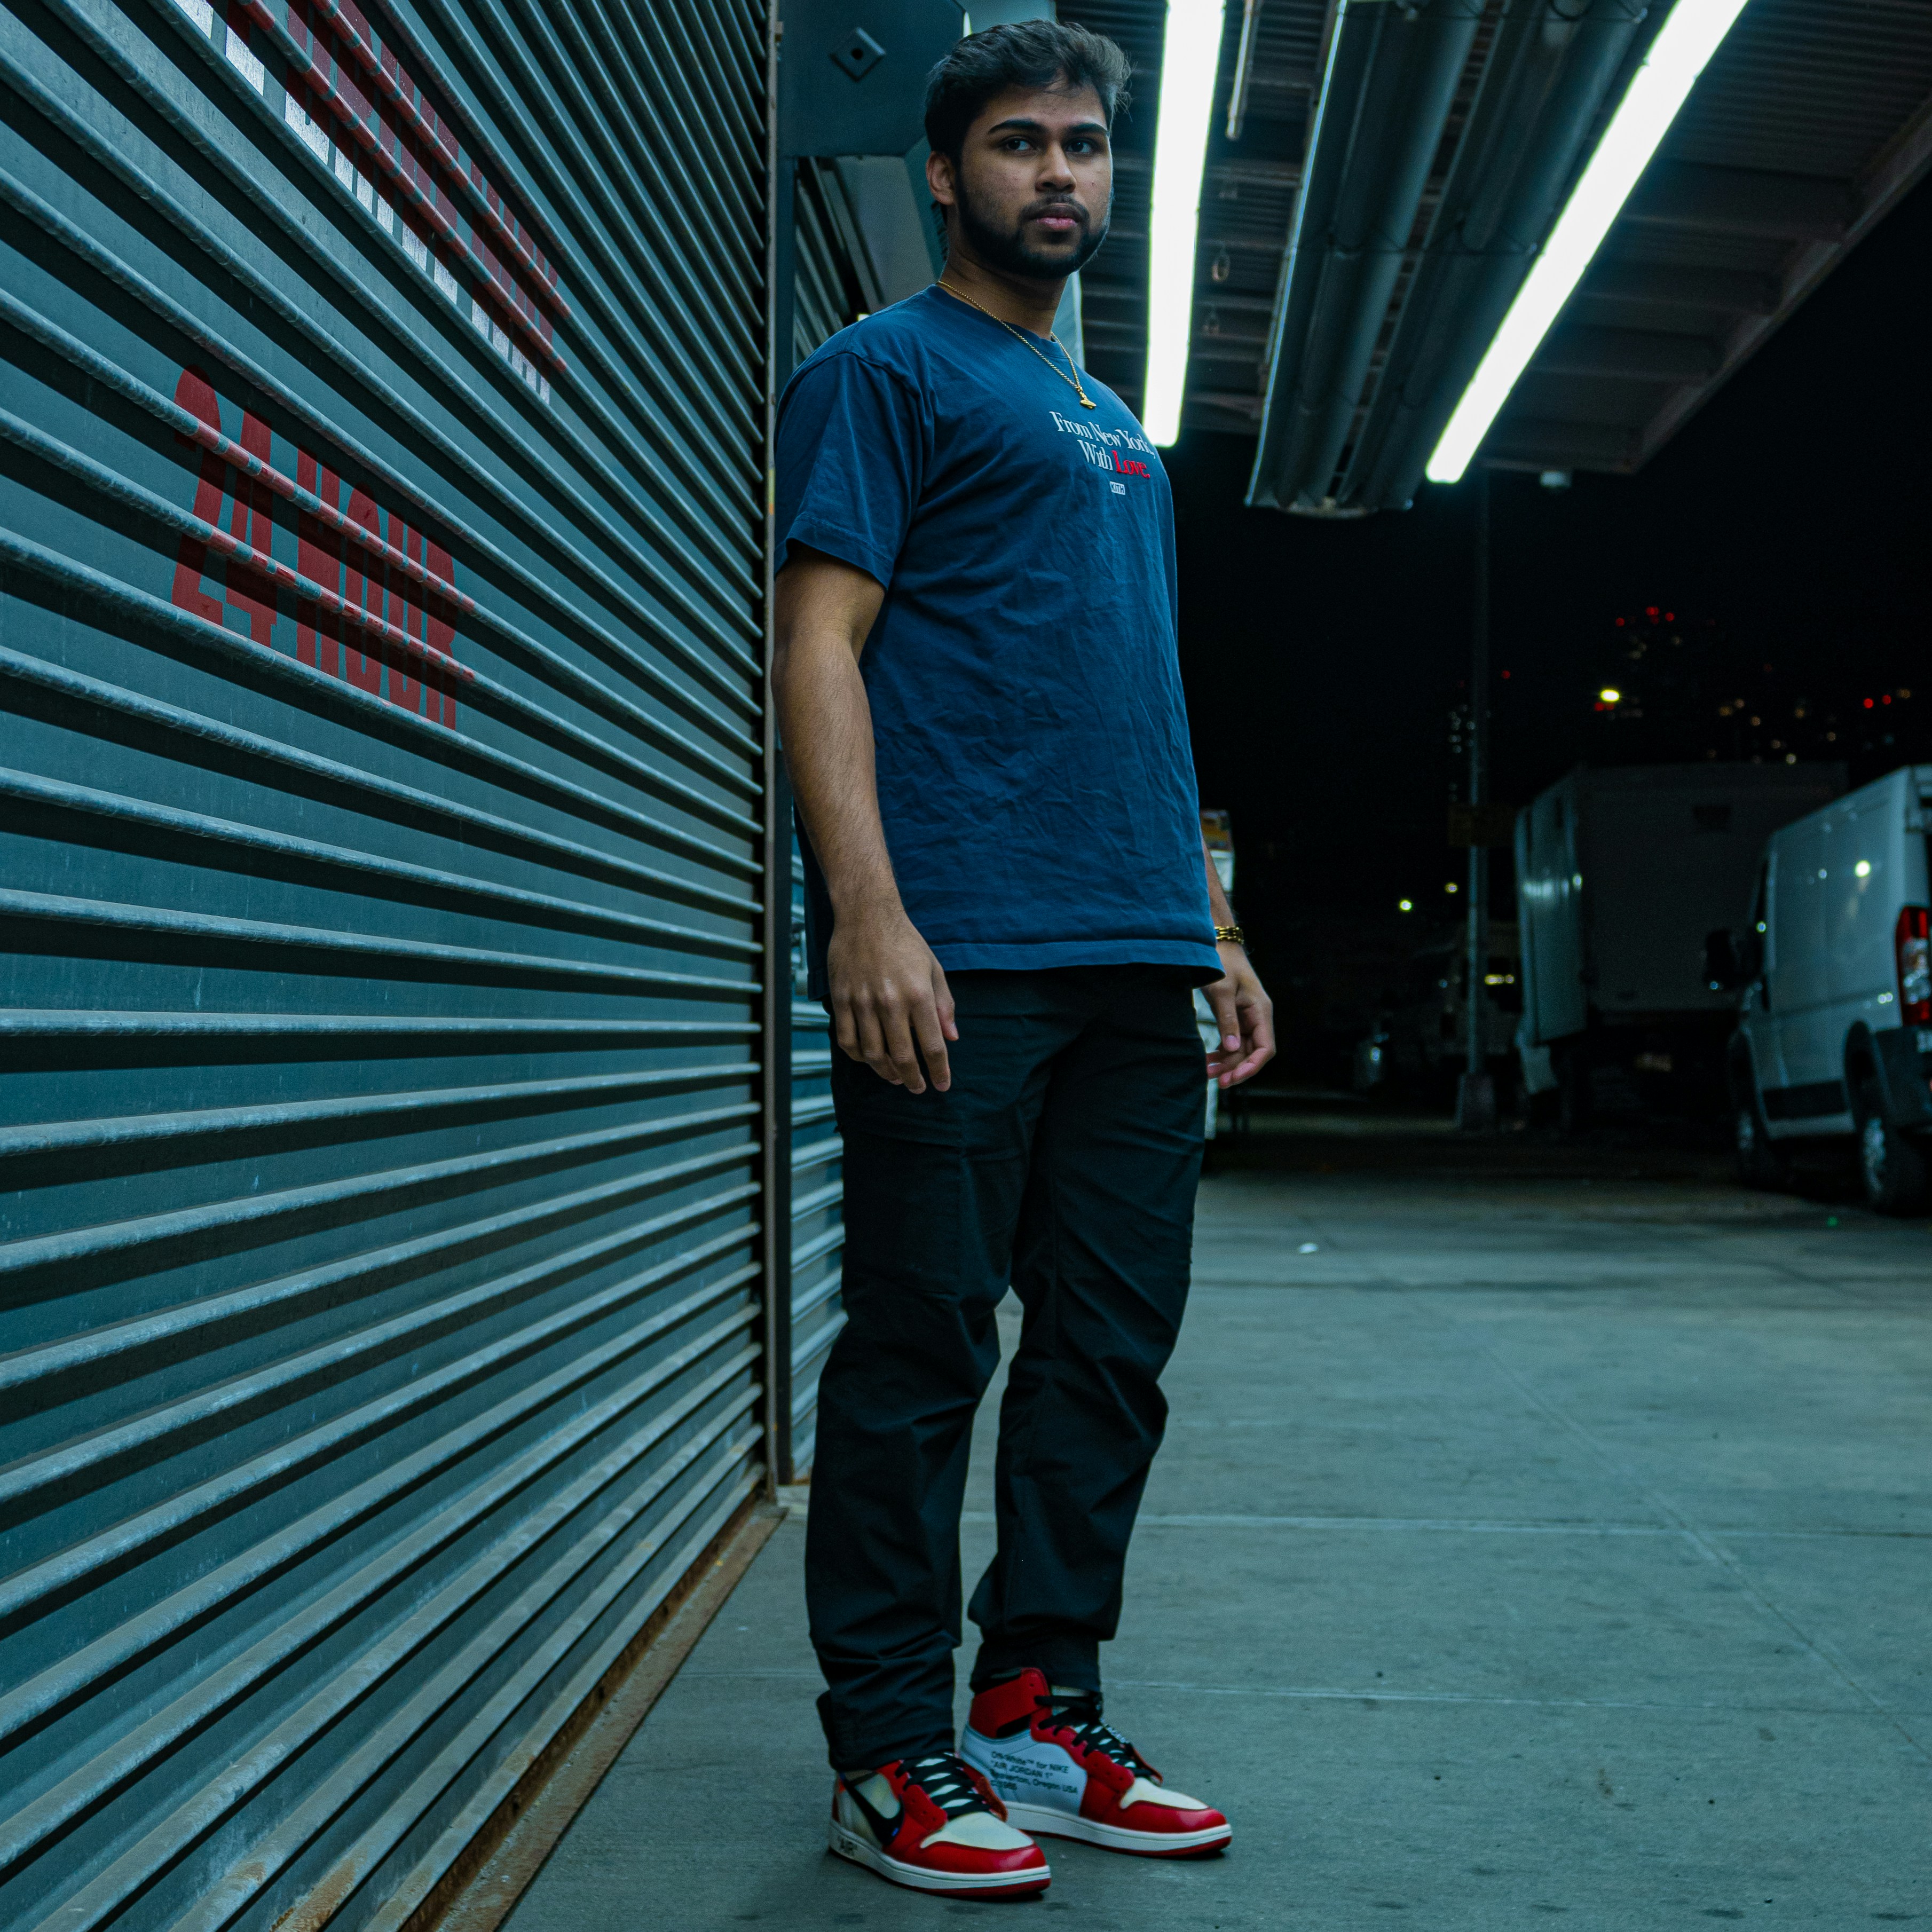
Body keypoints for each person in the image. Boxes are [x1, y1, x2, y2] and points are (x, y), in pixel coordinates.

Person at [771, 19, 1274, 1901]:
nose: (1057, 173)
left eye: (1082, 145)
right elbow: (819, 644)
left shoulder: (1110, 420)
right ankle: (886, 1749)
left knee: (1106, 1351)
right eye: (1016, 144)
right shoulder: (879, 370)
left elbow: (1131, 690)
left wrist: (1210, 922)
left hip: (1137, 950)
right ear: (941, 172)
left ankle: (1035, 1706)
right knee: (919, 1347)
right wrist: (867, 911)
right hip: (962, 946)